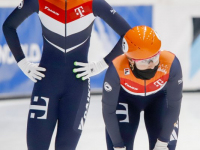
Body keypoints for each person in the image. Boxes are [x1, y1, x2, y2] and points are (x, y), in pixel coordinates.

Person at [2, 0, 131, 149]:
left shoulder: (94, 3)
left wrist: (102, 64)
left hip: (76, 88)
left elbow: (128, 35)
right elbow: (8, 26)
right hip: (46, 84)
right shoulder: (38, 1)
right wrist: (22, 63)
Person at [102, 26, 183, 150]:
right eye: (144, 62)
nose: (151, 65)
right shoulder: (116, 69)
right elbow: (108, 112)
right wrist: (118, 145)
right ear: (130, 61)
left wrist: (163, 141)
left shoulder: (171, 63)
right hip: (126, 101)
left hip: (159, 100)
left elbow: (174, 106)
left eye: (155, 58)